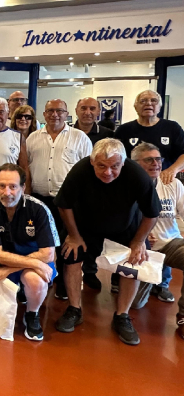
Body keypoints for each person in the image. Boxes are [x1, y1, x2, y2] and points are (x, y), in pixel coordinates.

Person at [54, 139, 161, 345]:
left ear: (123, 163)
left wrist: (138, 241)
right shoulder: (80, 170)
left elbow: (152, 213)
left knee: (134, 261)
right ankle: (74, 308)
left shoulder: (137, 175)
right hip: (85, 225)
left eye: (114, 166)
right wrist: (74, 236)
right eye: (101, 166)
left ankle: (122, 315)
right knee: (70, 254)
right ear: (92, 161)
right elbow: (64, 204)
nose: (108, 172)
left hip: (126, 227)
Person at [115, 90, 184, 298]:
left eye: (154, 100)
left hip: (165, 186)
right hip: (136, 221)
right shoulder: (125, 130)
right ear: (135, 106)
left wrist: (172, 170)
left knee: (165, 230)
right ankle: (124, 278)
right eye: (143, 100)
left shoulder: (171, 128)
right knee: (135, 301)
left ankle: (162, 284)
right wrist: (140, 236)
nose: (149, 104)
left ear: (160, 106)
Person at [0, 163, 59, 341]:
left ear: (23, 188)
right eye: (2, 186)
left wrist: (10, 269)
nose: (7, 192)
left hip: (25, 263)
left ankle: (32, 313)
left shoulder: (39, 209)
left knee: (35, 281)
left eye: (13, 186)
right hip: (7, 262)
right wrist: (34, 262)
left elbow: (48, 254)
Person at [26, 100, 93, 297]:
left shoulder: (79, 138)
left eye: (59, 111)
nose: (55, 114)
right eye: (50, 111)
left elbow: (88, 171)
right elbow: (26, 167)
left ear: (67, 113)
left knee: (66, 243)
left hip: (69, 203)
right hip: (40, 200)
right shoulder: (32, 138)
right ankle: (44, 277)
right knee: (41, 243)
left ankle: (64, 283)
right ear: (44, 114)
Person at [130, 143, 184, 339]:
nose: (156, 163)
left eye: (158, 159)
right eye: (149, 160)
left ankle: (183, 317)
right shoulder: (126, 185)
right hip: (141, 250)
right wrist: (139, 237)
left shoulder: (173, 184)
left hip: (170, 244)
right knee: (136, 304)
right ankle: (154, 280)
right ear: (135, 163)